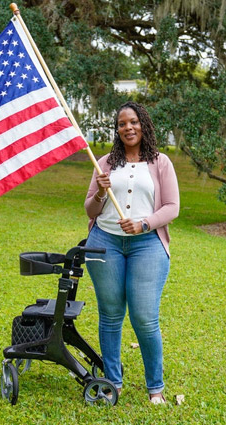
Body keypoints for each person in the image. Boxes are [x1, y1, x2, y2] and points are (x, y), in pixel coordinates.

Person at [84, 101, 180, 404]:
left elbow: (172, 207)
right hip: (105, 243)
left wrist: (144, 224)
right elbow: (90, 208)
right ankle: (113, 382)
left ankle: (156, 389)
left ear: (144, 125)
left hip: (147, 245)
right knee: (110, 316)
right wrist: (100, 190)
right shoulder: (106, 162)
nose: (128, 127)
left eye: (134, 122)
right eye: (122, 123)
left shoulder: (161, 162)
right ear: (117, 129)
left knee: (144, 318)